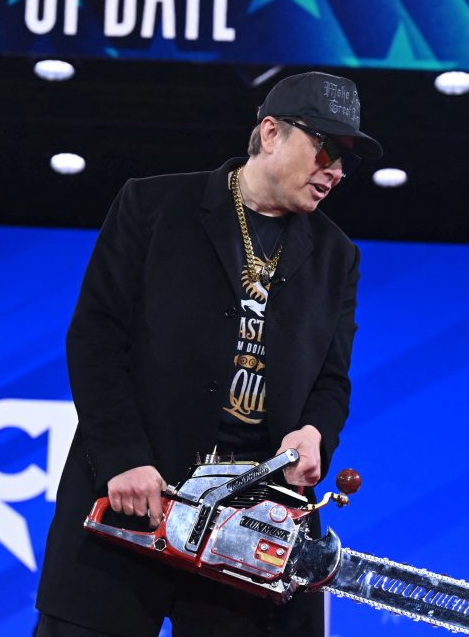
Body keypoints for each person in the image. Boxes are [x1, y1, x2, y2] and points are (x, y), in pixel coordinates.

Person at [34, 71, 382, 636]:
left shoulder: (336, 256)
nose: (336, 171)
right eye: (325, 150)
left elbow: (331, 380)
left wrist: (316, 431)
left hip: (256, 523)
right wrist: (123, 456)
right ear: (270, 133)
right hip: (134, 498)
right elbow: (96, 339)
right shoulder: (152, 206)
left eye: (346, 160)